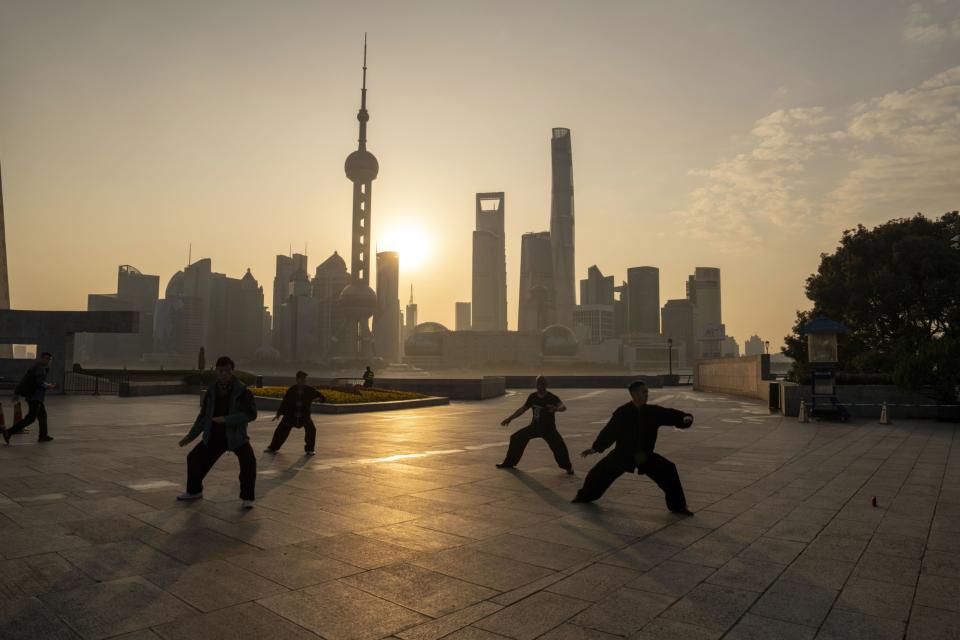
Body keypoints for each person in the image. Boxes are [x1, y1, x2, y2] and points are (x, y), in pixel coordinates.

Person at [573, 380, 694, 515]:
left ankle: (678, 506)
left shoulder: (653, 412)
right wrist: (596, 447)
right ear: (634, 394)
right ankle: (584, 496)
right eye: (644, 392)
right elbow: (609, 431)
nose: (647, 395)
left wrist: (685, 418)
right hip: (622, 455)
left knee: (669, 470)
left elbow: (671, 415)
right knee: (597, 474)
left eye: (647, 392)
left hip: (645, 455)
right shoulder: (622, 412)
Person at [177, 356, 258, 508]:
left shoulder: (242, 391)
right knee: (193, 458)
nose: (223, 374)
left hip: (236, 437)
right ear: (216, 371)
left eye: (227, 371)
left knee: (249, 462)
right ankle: (194, 491)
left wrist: (227, 419)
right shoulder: (211, 391)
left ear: (232, 371)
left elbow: (251, 414)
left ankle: (247, 498)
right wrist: (190, 436)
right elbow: (203, 417)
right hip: (214, 435)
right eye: (220, 371)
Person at [497, 375, 574, 474]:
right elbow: (523, 409)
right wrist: (510, 418)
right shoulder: (532, 397)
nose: (540, 386)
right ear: (536, 385)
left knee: (559, 446)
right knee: (516, 437)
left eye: (542, 384)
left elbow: (563, 407)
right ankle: (509, 463)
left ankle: (568, 467)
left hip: (549, 429)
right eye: (538, 384)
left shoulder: (552, 397)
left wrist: (556, 409)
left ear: (546, 385)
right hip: (534, 427)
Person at [264, 371, 324, 455]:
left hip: (304, 416)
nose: (303, 380)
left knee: (311, 430)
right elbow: (284, 402)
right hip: (290, 416)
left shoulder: (309, 390)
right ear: (297, 379)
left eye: (304, 379)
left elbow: (321, 397)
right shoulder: (292, 390)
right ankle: (273, 447)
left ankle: (309, 449)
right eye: (301, 378)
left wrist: (319, 399)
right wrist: (279, 413)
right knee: (280, 431)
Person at [3, 352, 57, 444]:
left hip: (36, 397)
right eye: (46, 358)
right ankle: (9, 432)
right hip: (34, 397)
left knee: (42, 416)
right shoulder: (39, 368)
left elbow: (25, 379)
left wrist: (17, 392)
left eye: (49, 359)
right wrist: (49, 386)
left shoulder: (38, 367)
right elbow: (40, 382)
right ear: (41, 358)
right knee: (30, 418)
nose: (48, 360)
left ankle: (43, 436)